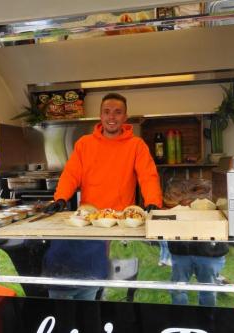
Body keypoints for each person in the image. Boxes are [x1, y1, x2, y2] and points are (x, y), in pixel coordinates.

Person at [43, 92, 163, 300]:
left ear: (125, 117)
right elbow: (71, 174)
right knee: (88, 279)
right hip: (90, 223)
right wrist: (61, 198)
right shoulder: (84, 144)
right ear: (100, 115)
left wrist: (153, 201)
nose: (112, 117)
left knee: (116, 286)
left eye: (117, 112)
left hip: (121, 226)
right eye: (107, 112)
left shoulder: (136, 145)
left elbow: (148, 176)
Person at [168, 241, 228, 306]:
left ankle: (205, 315)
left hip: (209, 250)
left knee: (208, 290)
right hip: (181, 249)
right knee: (178, 289)